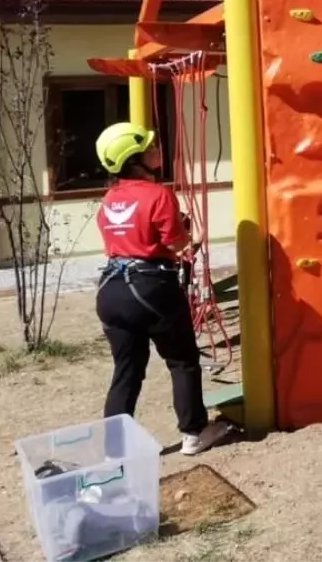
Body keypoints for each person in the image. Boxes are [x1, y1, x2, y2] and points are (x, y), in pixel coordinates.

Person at [94, 122, 230, 455]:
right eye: (149, 148)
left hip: (111, 290)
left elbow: (121, 241)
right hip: (151, 286)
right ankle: (194, 432)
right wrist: (190, 241)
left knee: (127, 368)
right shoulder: (158, 194)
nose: (157, 150)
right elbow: (177, 244)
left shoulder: (109, 199)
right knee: (182, 360)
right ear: (134, 159)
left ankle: (114, 447)